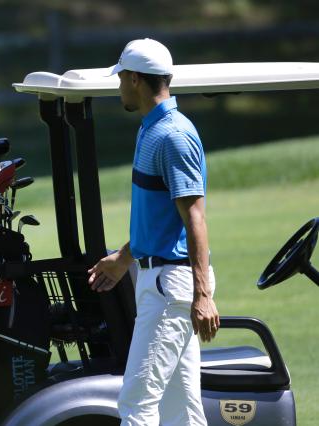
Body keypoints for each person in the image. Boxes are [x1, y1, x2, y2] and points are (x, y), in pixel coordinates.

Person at [87, 38, 220, 425]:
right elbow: (160, 219)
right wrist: (123, 258)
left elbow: (194, 217)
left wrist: (203, 294)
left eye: (120, 79)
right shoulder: (152, 130)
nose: (118, 87)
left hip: (172, 286)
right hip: (160, 279)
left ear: (133, 79)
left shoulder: (172, 136)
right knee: (181, 409)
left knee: (137, 403)